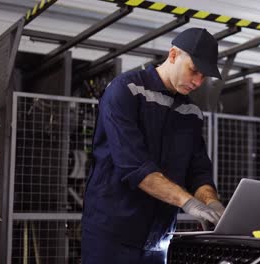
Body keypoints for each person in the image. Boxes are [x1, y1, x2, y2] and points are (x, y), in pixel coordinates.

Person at [81, 28, 225, 264]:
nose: (198, 82)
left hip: (158, 240)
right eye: (194, 70)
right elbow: (135, 167)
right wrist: (189, 203)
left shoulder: (190, 113)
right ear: (173, 55)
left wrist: (211, 202)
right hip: (111, 238)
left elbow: (198, 171)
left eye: (204, 76)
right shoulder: (125, 91)